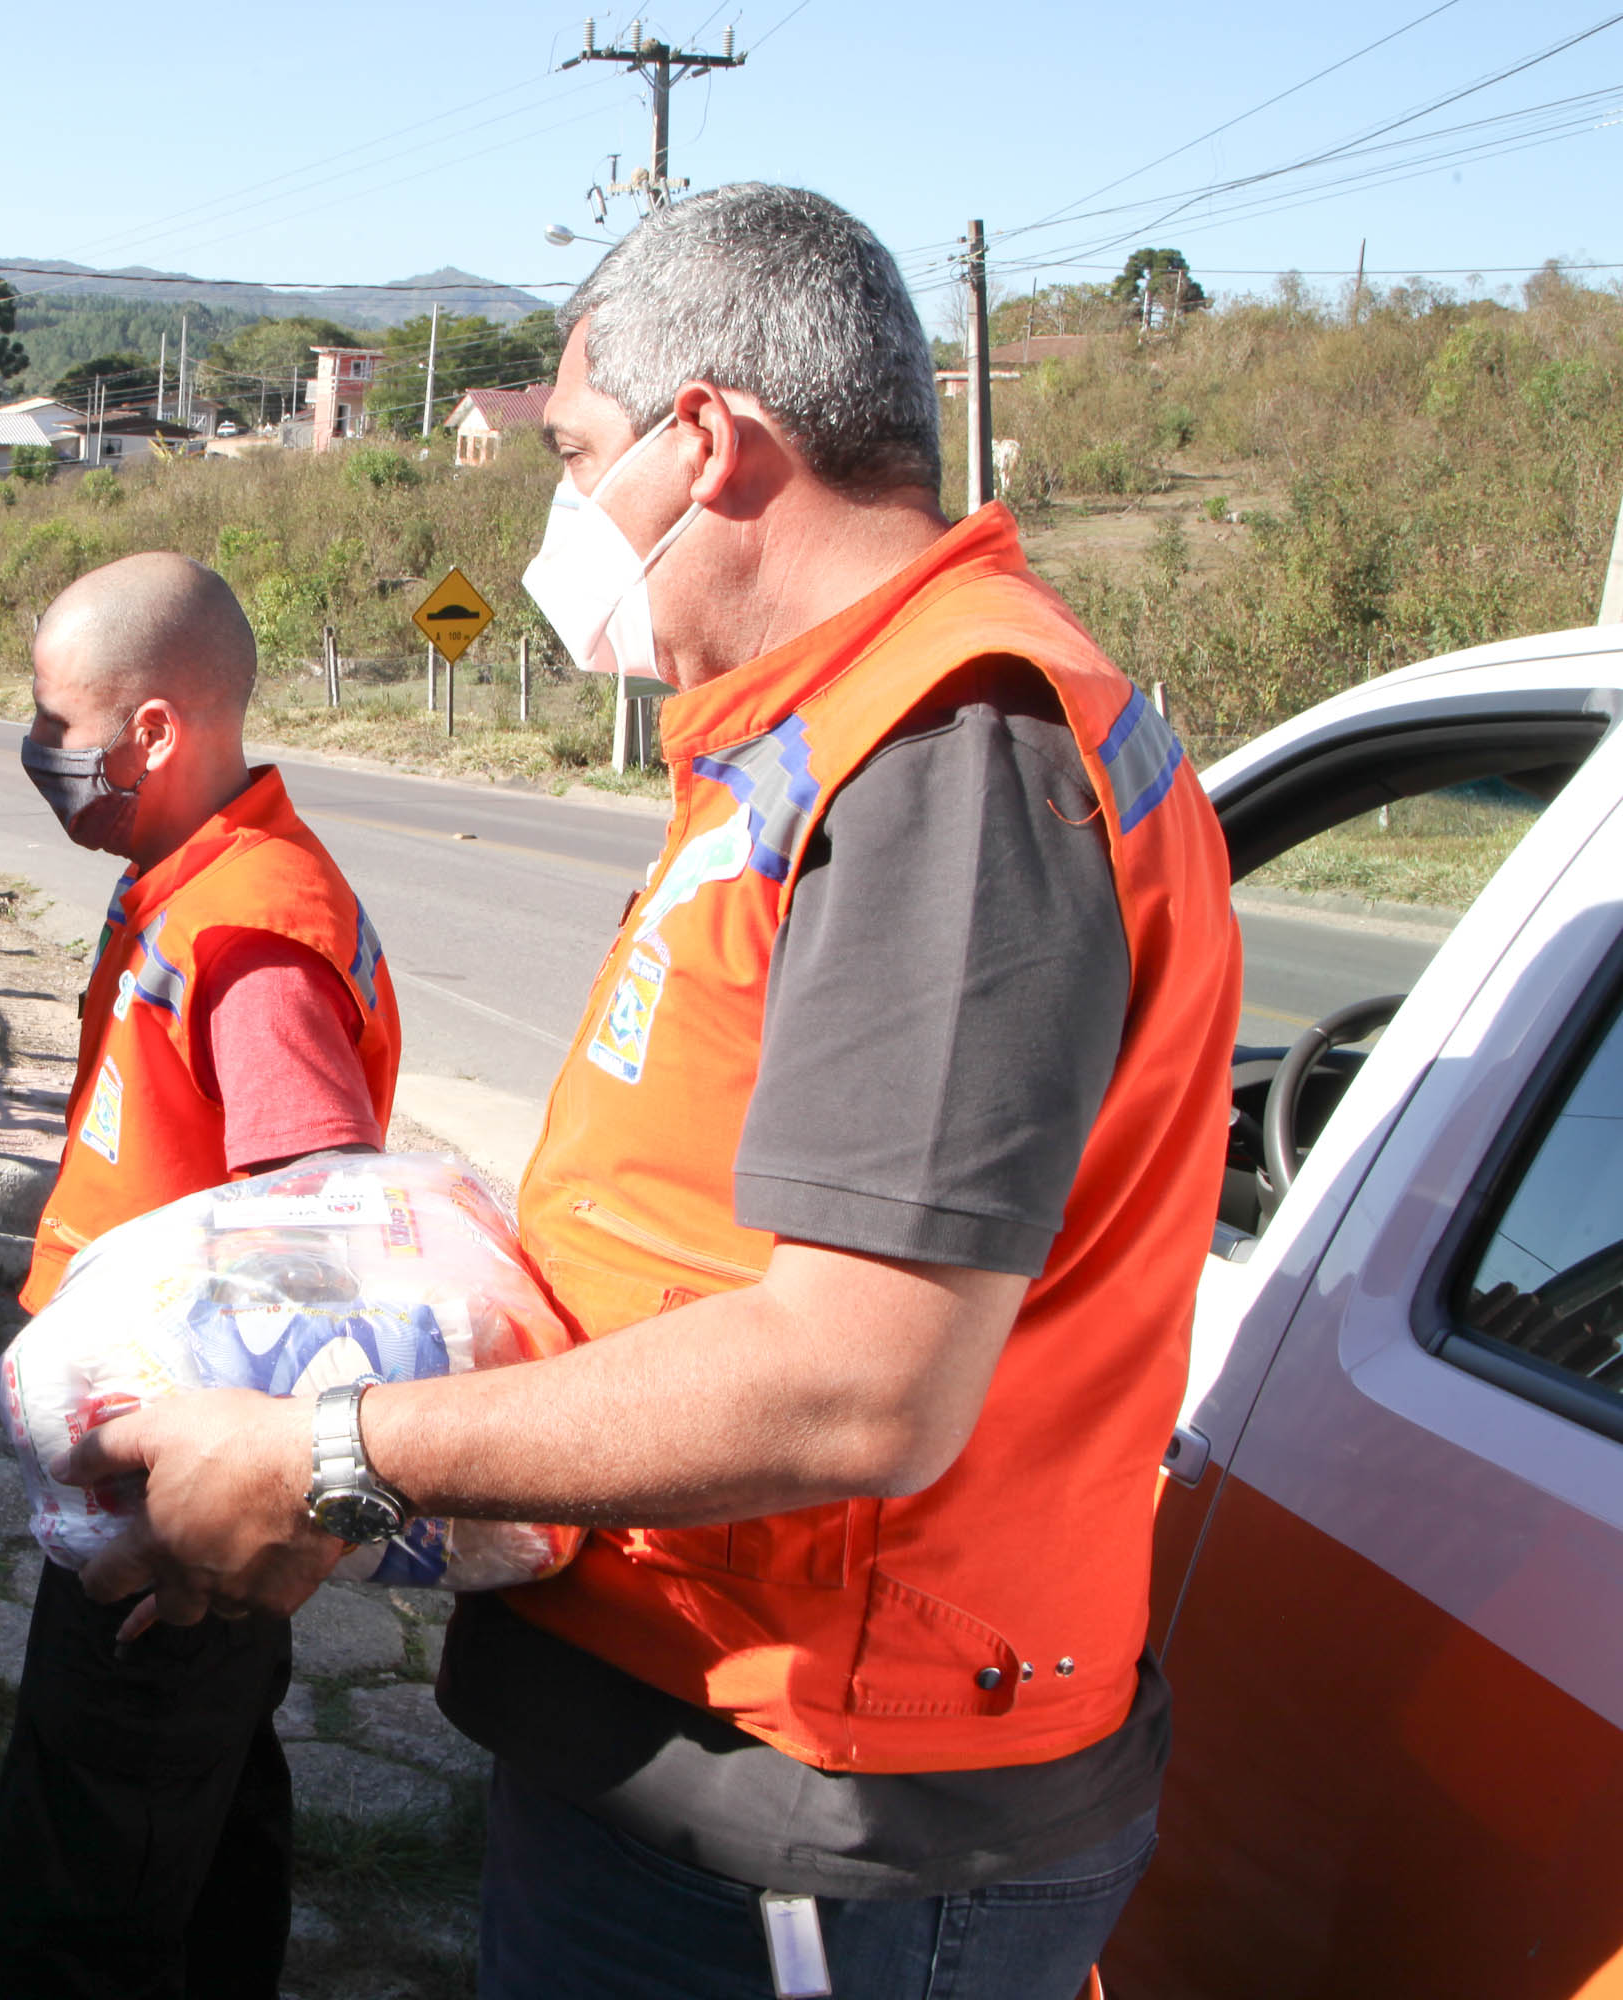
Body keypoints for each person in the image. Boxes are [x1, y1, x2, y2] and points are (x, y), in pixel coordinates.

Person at [61, 184, 1242, 2000]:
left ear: (706, 443)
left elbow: (860, 1380)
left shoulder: (949, 752)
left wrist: (335, 1454)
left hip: (828, 1792)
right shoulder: (818, 732)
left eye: (576, 450)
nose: (559, 511)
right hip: (698, 1719)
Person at [0, 553, 405, 1999]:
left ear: (153, 731)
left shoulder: (248, 932)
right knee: (197, 1823)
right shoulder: (193, 882)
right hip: (165, 1484)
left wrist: (224, 1513)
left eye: (58, 721)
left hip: (178, 1518)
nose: (37, 747)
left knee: (86, 1882)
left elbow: (321, 1243)